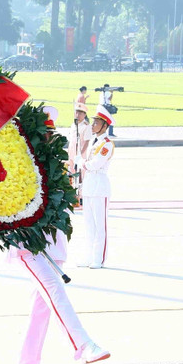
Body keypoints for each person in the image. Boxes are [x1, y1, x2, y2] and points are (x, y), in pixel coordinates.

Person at [11, 106, 110, 364]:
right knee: (55, 289)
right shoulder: (19, 165)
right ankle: (84, 345)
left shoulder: (56, 164)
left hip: (54, 245)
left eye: (51, 134)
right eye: (44, 134)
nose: (49, 138)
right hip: (28, 244)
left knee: (40, 310)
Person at [77, 105, 115, 269]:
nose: (93, 126)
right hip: (89, 185)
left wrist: (82, 162)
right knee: (89, 225)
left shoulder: (106, 144)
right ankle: (89, 257)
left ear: (105, 126)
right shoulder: (95, 142)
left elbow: (95, 164)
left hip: (99, 186)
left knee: (100, 226)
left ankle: (99, 259)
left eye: (96, 123)